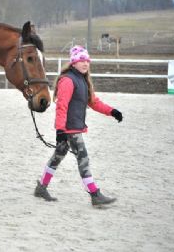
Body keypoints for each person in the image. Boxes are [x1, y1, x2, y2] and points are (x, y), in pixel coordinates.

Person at [34, 45, 123, 206]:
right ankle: (95, 194)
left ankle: (41, 187)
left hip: (73, 126)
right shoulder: (68, 80)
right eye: (81, 60)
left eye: (87, 61)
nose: (85, 63)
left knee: (57, 157)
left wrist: (112, 111)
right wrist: (60, 130)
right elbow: (62, 106)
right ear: (73, 62)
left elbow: (94, 102)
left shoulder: (82, 79)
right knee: (83, 159)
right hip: (69, 129)